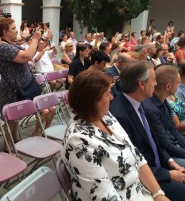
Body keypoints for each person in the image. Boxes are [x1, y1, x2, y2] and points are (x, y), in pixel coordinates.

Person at [62, 70, 169, 201]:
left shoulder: (105, 116)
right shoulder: (78, 142)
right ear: (93, 101)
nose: (112, 98)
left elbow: (137, 156)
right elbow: (106, 197)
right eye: (107, 94)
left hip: (139, 190)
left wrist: (158, 194)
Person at [110, 61, 185, 201]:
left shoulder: (140, 103)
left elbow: (153, 142)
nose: (156, 84)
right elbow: (132, 164)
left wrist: (169, 161)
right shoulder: (120, 116)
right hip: (147, 179)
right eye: (153, 80)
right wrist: (168, 175)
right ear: (141, 84)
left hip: (160, 167)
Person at [0, 17, 41, 152]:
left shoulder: (11, 45)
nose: (16, 31)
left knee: (16, 118)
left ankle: (14, 141)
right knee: (10, 119)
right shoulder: (3, 47)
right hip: (11, 89)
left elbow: (27, 52)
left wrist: (31, 40)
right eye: (13, 29)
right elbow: (27, 55)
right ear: (5, 32)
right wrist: (36, 39)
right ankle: (8, 147)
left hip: (19, 87)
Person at [143, 64, 185, 166]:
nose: (179, 86)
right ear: (168, 86)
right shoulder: (150, 109)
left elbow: (173, 131)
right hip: (166, 156)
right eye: (178, 83)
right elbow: (165, 144)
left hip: (174, 147)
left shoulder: (163, 101)